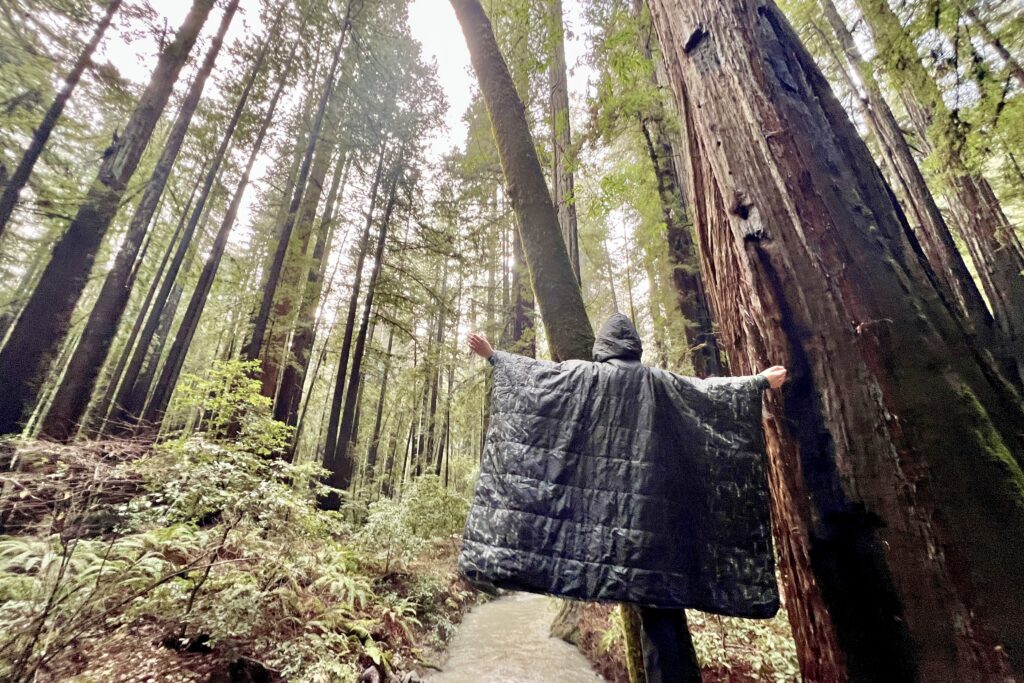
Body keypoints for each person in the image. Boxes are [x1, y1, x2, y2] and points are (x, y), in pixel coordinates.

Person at [462, 314, 786, 683]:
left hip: (606, 534)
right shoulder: (660, 383)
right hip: (653, 532)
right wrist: (759, 382)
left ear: (603, 347)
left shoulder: (583, 377)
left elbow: (537, 378)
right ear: (634, 346)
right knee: (661, 611)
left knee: (655, 613)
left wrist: (494, 356)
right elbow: (707, 394)